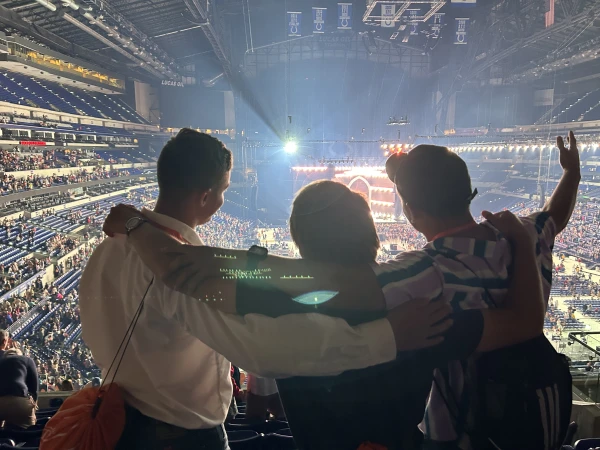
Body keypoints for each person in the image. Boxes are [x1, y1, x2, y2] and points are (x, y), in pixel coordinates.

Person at [102, 131, 579, 449]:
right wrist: (567, 179)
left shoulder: (397, 284)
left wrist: (145, 229)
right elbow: (525, 313)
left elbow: (297, 290)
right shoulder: (425, 304)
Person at [80, 129, 450, 450]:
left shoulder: (110, 248)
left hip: (118, 424)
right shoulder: (179, 272)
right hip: (178, 436)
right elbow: (260, 349)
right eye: (225, 190)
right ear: (207, 197)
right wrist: (385, 337)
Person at [0, 347, 38, 428]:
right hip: (20, 402)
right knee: (28, 430)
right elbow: (34, 388)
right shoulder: (27, 360)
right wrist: (33, 410)